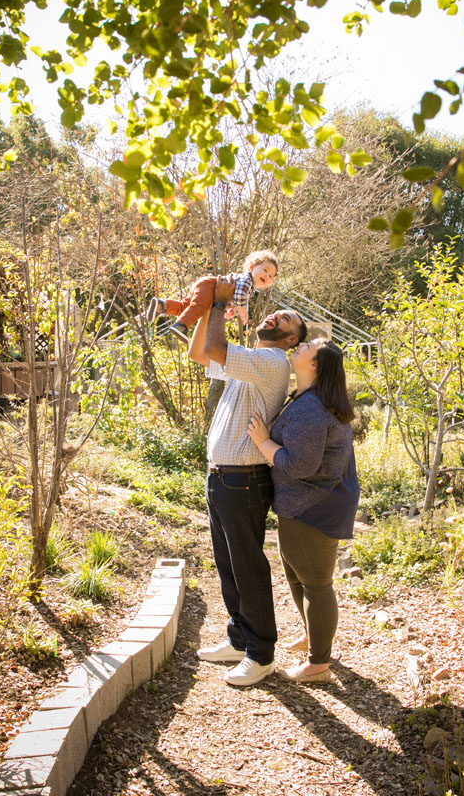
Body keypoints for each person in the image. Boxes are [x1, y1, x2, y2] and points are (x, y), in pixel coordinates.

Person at [188, 278, 307, 686]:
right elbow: (199, 353)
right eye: (279, 311)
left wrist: (222, 303)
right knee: (228, 565)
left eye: (285, 319)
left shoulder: (272, 363)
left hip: (244, 481)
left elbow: (216, 349)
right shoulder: (250, 360)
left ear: (290, 339)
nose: (276, 315)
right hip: (221, 478)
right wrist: (207, 305)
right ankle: (240, 640)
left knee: (247, 566)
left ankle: (261, 654)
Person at [247, 338, 360, 684]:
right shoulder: (306, 399)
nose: (299, 346)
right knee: (298, 577)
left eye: (307, 347)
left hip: (315, 508)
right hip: (304, 505)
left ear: (315, 365)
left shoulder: (312, 409)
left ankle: (319, 664)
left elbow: (300, 466)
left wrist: (263, 442)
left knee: (316, 584)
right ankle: (316, 635)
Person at [148, 250, 278, 344]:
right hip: (209, 287)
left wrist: (229, 309)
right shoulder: (247, 279)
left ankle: (162, 306)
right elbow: (239, 296)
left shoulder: (249, 286)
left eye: (270, 276)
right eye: (265, 270)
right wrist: (243, 313)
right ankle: (181, 326)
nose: (267, 276)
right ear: (252, 267)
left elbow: (232, 297)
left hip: (207, 286)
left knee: (186, 308)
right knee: (198, 308)